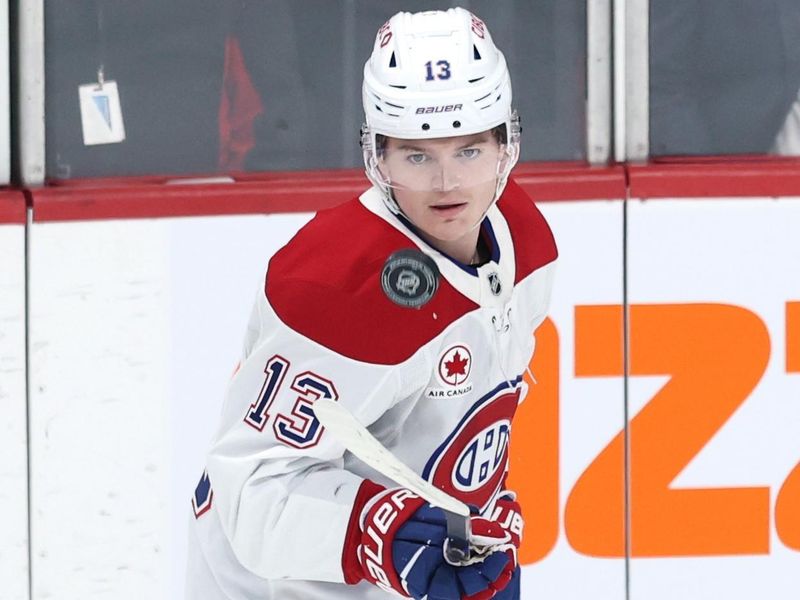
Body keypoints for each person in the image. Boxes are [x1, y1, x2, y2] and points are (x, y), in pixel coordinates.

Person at [185, 8, 557, 600]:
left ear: (505, 144)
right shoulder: (336, 284)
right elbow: (250, 490)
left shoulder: (527, 243)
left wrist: (472, 529)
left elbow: (465, 422)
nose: (447, 185)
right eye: (417, 155)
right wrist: (378, 535)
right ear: (376, 156)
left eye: (468, 151)